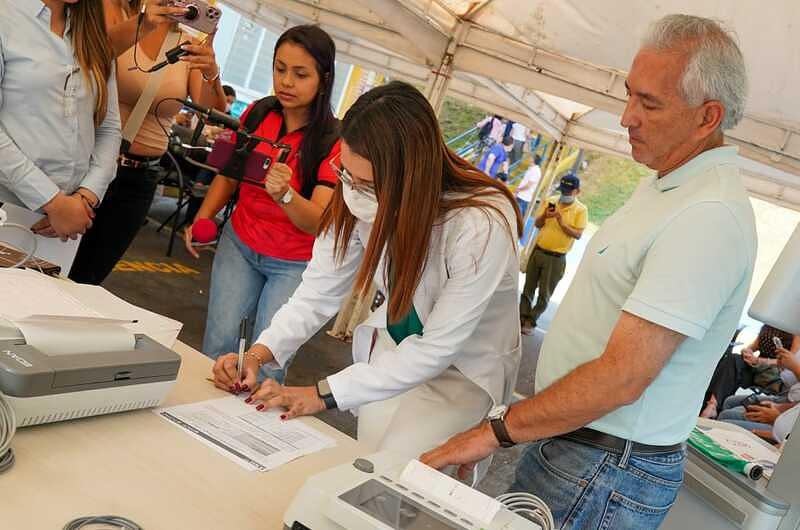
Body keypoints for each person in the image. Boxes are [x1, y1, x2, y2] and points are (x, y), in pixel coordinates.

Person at [422, 14, 757, 530]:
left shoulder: (706, 215)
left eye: (649, 103)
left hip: (605, 466)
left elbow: (622, 376)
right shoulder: (667, 183)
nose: (626, 117)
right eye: (630, 95)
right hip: (582, 448)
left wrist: (495, 431)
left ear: (706, 117)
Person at [210, 81, 522, 462]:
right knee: (366, 461)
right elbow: (317, 292)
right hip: (396, 347)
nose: (354, 192)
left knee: (407, 475)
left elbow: (437, 347)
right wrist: (259, 354)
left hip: (459, 370)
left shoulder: (480, 224)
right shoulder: (356, 192)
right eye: (346, 174)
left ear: (412, 176)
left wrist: (319, 395)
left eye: (368, 185)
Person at [187, 25, 341, 384]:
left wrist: (286, 194)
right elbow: (229, 175)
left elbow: (318, 222)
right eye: (279, 68)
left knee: (268, 365)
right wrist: (203, 216)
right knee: (218, 349)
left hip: (293, 263)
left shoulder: (333, 140)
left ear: (325, 78)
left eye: (301, 74)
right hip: (239, 244)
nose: (286, 81)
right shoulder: (258, 113)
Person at [68, 0, 225, 285]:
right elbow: (87, 60)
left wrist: (211, 70)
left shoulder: (188, 46)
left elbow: (212, 111)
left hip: (140, 179)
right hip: (89, 164)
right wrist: (143, 23)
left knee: (89, 278)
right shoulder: (118, 15)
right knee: (54, 259)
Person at [0, 0, 120, 242]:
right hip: (9, 205)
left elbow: (109, 128)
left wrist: (86, 196)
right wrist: (53, 201)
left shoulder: (92, 33)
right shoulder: (6, 18)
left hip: (71, 219)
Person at [519, 173, 587, 335]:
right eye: (563, 191)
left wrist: (560, 221)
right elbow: (537, 224)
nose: (564, 195)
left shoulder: (580, 210)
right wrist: (545, 216)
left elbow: (578, 235)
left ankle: (531, 320)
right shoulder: (551, 200)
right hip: (539, 251)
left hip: (556, 258)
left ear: (577, 191)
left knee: (544, 294)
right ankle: (521, 317)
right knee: (528, 288)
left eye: (568, 192)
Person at [701, 325, 799, 418]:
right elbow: (752, 347)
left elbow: (789, 362)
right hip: (757, 367)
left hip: (774, 372)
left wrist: (760, 361)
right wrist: (747, 352)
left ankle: (713, 406)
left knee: (733, 367)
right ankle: (712, 404)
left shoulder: (795, 331)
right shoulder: (769, 325)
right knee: (734, 359)